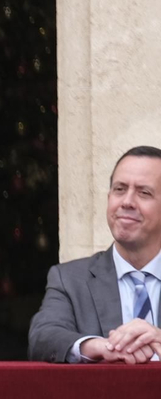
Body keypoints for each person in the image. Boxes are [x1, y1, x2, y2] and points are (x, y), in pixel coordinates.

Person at [28, 146, 161, 363]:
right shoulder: (69, 279)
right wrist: (100, 346)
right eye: (119, 189)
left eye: (144, 192)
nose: (127, 202)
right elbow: (43, 337)